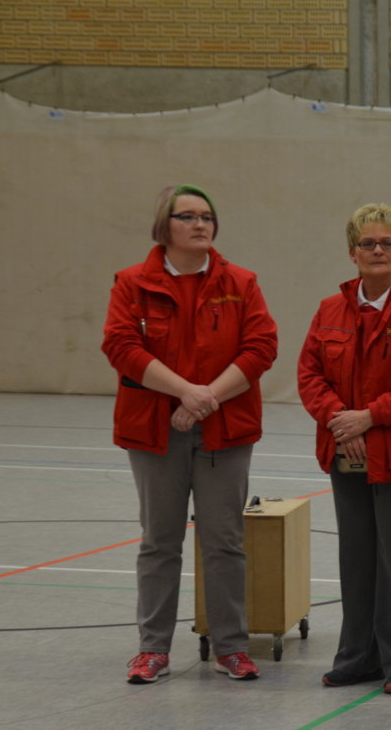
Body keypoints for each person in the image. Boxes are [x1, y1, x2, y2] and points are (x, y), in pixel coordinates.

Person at [102, 184, 278, 684]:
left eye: (207, 216)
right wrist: (185, 393)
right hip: (154, 431)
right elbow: (121, 347)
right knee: (159, 542)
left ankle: (231, 648)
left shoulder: (241, 283)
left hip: (226, 431)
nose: (201, 224)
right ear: (165, 226)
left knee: (224, 541)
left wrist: (206, 399)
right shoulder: (131, 283)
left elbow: (261, 347)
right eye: (188, 216)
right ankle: (152, 649)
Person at [297, 203, 391, 696]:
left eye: (387, 243)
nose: (377, 250)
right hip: (346, 449)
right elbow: (309, 375)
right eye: (368, 243)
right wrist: (342, 421)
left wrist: (369, 417)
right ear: (352, 253)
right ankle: (359, 657)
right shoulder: (329, 310)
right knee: (357, 557)